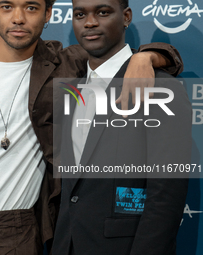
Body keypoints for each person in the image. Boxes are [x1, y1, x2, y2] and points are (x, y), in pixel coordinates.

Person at [0, 0, 184, 253]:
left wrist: (148, 56)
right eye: (7, 6)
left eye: (30, 7)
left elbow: (114, 55)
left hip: (18, 234)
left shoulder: (64, 66)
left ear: (49, 14)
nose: (18, 17)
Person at [52, 0, 192, 254]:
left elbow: (166, 197)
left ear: (126, 16)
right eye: (80, 14)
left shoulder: (162, 88)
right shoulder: (70, 87)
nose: (90, 22)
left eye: (103, 12)